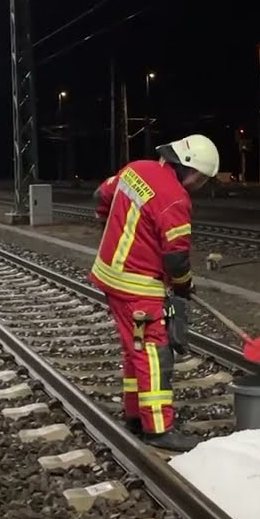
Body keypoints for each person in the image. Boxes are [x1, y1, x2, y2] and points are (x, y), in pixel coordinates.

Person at [88, 135, 219, 452]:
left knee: (135, 349)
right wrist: (183, 285)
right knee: (155, 354)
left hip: (111, 276)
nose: (199, 185)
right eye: (201, 179)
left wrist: (108, 220)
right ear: (189, 169)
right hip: (138, 288)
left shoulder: (136, 168)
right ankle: (159, 428)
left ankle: (135, 415)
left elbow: (101, 195)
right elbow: (176, 256)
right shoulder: (174, 198)